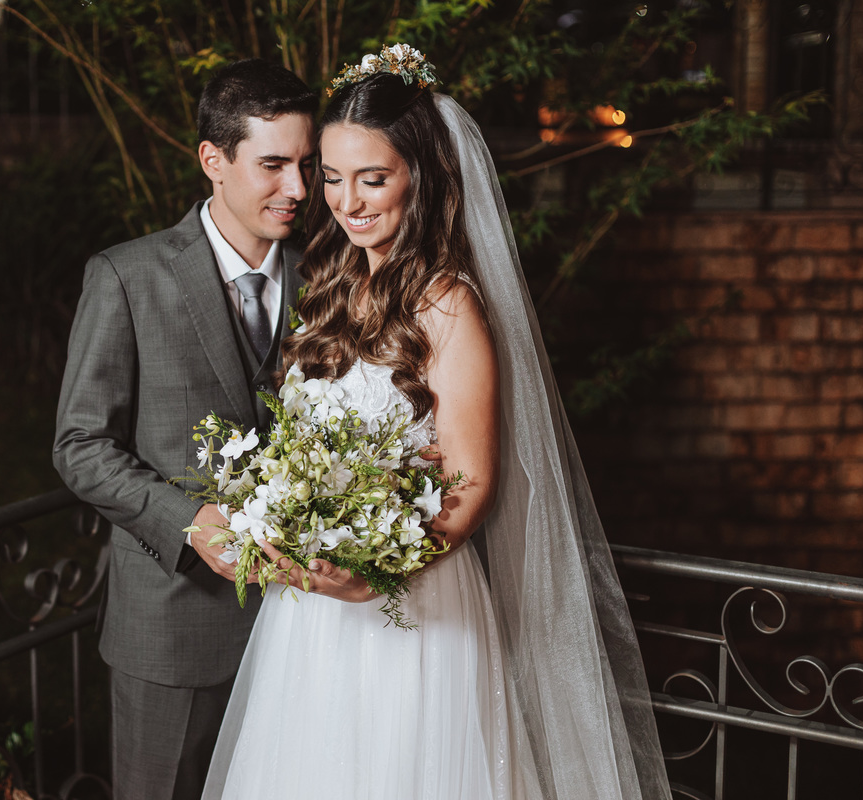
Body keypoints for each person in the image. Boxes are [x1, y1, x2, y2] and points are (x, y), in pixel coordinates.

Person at [202, 47, 671, 799]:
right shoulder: (332, 284)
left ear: (419, 178)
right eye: (331, 178)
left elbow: (474, 478)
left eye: (373, 178)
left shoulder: (449, 304)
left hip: (409, 612)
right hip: (312, 619)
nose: (347, 201)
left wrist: (377, 569)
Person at [53, 59, 361, 799]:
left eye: (307, 166)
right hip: (172, 632)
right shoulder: (126, 277)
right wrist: (190, 522)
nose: (297, 189)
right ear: (213, 161)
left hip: (309, 634)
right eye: (274, 165)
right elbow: (80, 446)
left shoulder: (336, 280)